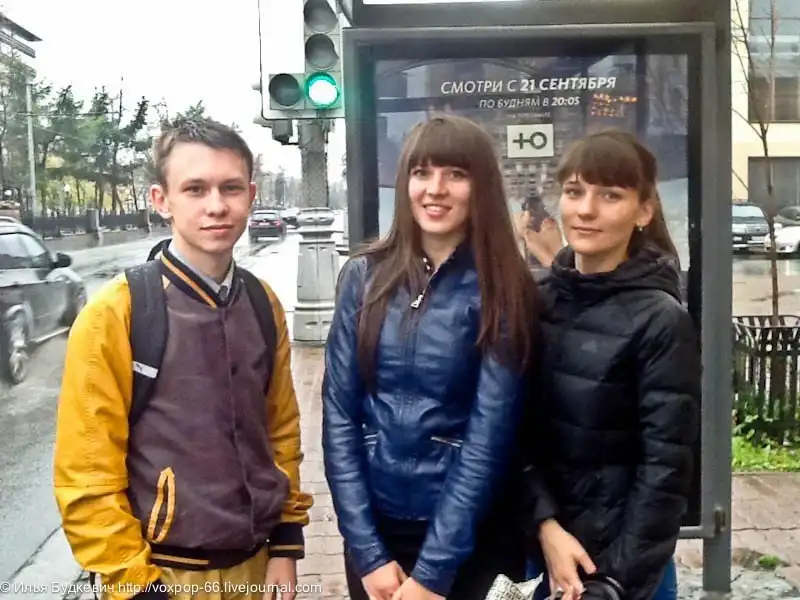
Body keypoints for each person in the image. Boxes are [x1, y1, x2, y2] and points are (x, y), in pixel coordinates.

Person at [53, 118, 313, 600]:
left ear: (251, 195)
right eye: (195, 189)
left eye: (230, 187)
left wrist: (285, 541)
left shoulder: (263, 303)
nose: (216, 205)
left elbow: (279, 432)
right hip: (162, 575)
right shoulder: (118, 313)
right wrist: (136, 586)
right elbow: (86, 475)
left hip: (257, 569)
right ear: (162, 200)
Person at [322, 114, 537, 600]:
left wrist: (433, 574)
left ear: (481, 186)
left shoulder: (504, 286)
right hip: (379, 530)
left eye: (455, 174)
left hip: (471, 535)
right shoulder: (363, 276)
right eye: (422, 172)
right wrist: (367, 553)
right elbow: (339, 416)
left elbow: (489, 438)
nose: (435, 189)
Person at [520, 129, 700, 600]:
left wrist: (614, 583)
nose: (586, 209)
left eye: (610, 195)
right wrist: (545, 525)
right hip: (542, 553)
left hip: (621, 570)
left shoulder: (660, 321)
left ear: (644, 212)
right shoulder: (537, 300)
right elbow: (514, 433)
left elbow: (665, 471)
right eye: (574, 191)